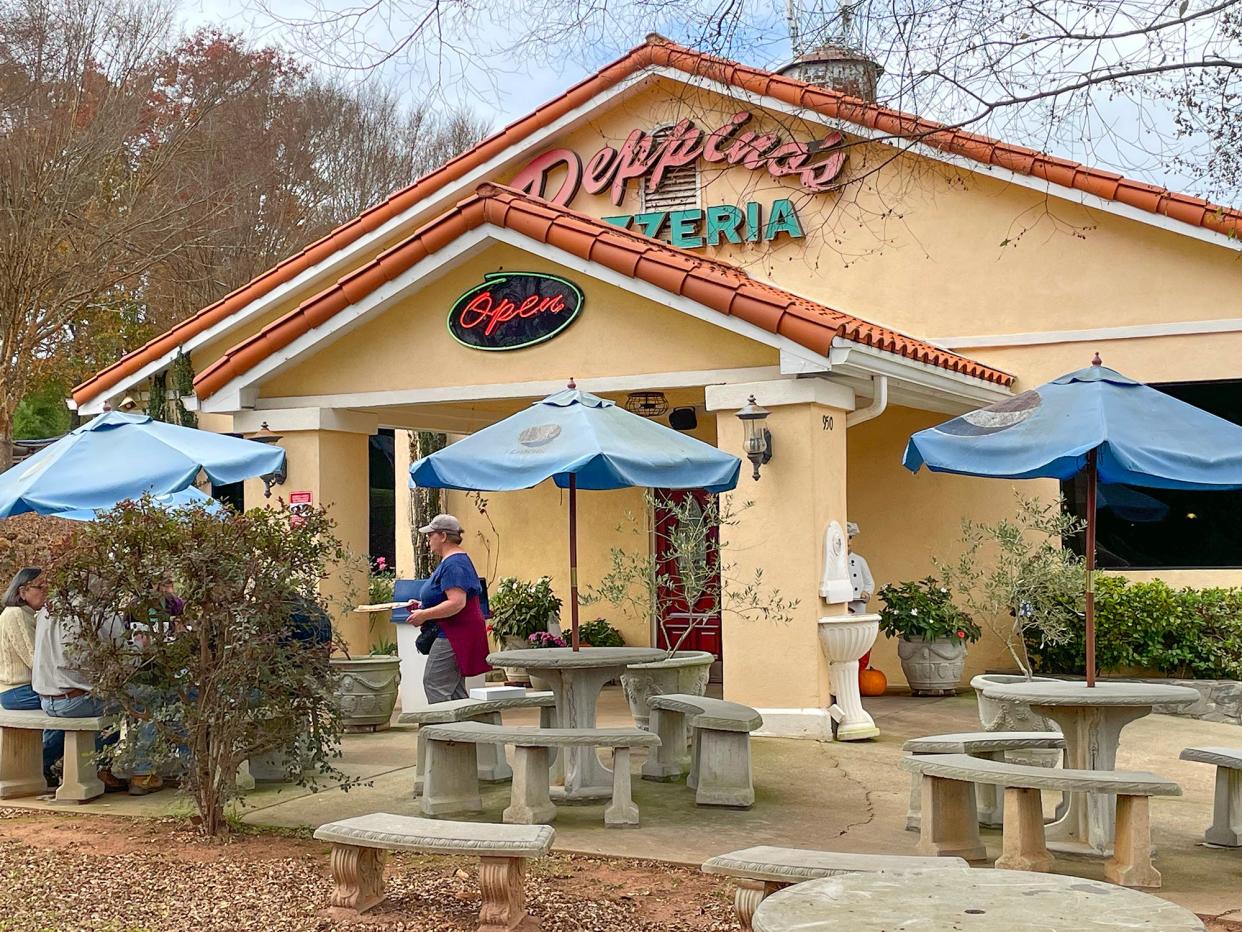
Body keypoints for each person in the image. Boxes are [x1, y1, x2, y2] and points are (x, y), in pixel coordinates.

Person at [32, 592, 128, 792]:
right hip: (75, 700)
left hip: (47, 699)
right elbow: (125, 657)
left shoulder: (48, 606)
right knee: (134, 700)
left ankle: (64, 763)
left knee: (106, 699)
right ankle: (112, 769)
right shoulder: (96, 609)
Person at [405, 514, 491, 702]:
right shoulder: (453, 561)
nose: (428, 540)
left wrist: (424, 614)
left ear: (443, 536)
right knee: (454, 689)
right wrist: (423, 605)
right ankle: (466, 729)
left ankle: (443, 730)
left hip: (454, 633)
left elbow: (456, 602)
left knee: (435, 683)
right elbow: (450, 597)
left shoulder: (454, 564)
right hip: (455, 632)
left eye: (431, 535)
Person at [0, 568, 63, 784]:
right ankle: (41, 763)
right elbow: (34, 659)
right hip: (17, 690)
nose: (46, 591)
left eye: (48, 586)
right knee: (70, 705)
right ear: (23, 591)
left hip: (34, 686)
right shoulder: (15, 615)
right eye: (40, 587)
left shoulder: (32, 615)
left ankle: (47, 763)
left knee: (74, 704)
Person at [847, 522, 875, 615]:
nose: (848, 543)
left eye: (850, 538)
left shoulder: (860, 560)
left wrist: (866, 593)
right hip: (843, 603)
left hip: (858, 604)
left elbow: (869, 582)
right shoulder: (835, 562)